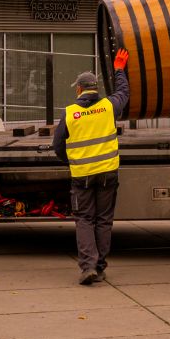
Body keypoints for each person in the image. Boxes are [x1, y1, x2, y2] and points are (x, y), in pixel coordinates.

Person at [53, 48, 130, 284]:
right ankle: (100, 266)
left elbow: (57, 146)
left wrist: (72, 160)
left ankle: (88, 267)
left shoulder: (70, 113)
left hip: (82, 176)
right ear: (95, 88)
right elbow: (123, 91)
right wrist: (119, 69)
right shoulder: (109, 106)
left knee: (85, 219)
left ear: (79, 89)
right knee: (104, 220)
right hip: (108, 174)